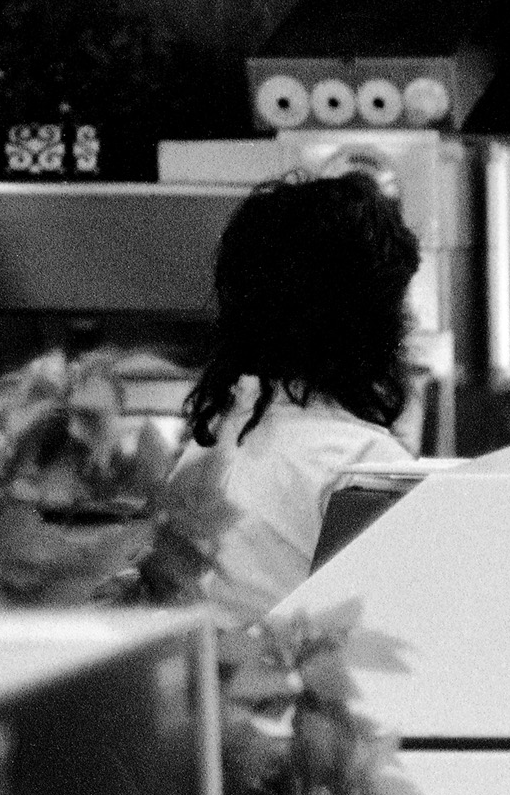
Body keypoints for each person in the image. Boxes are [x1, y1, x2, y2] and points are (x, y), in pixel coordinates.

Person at [177, 172, 420, 624]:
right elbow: (391, 634)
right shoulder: (362, 464)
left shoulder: (213, 441)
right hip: (294, 692)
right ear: (368, 319)